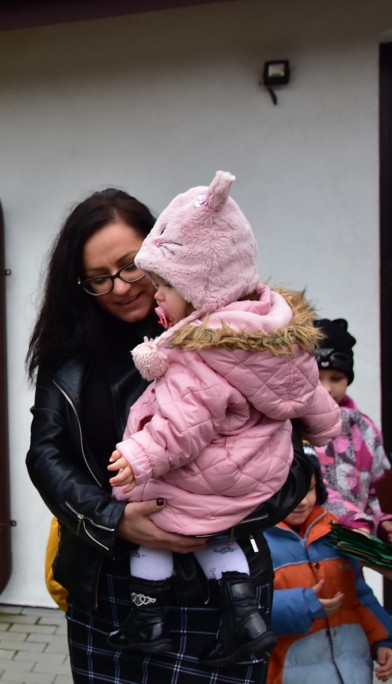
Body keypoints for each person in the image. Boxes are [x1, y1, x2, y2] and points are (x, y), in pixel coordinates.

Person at [25, 183, 319, 683]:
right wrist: (113, 518)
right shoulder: (70, 356)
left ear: (163, 251)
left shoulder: (241, 339)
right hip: (110, 582)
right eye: (98, 279)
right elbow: (46, 455)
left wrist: (216, 516)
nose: (120, 287)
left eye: (129, 265)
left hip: (225, 591)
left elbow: (294, 465)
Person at [104, 171, 341, 664]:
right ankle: (245, 619)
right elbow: (309, 395)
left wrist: (139, 454)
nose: (158, 297)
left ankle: (146, 621)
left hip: (214, 474)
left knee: (151, 507)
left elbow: (183, 422)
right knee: (216, 527)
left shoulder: (200, 352)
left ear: (201, 285)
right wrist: (327, 430)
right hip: (259, 473)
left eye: (166, 286)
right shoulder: (274, 330)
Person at [264, 453, 392, 683]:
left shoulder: (334, 533)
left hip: (354, 671)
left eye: (309, 489)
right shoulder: (255, 545)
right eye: (290, 491)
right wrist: (304, 604)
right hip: (291, 673)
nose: (302, 501)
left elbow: (359, 596)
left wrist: (385, 640)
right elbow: (249, 609)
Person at [312, 318, 392, 541]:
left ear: (348, 379)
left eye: (336, 378)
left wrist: (383, 524)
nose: (327, 388)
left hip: (358, 543)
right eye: (317, 379)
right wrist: (354, 522)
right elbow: (316, 491)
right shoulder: (294, 428)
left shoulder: (365, 429)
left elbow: (377, 492)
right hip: (311, 546)